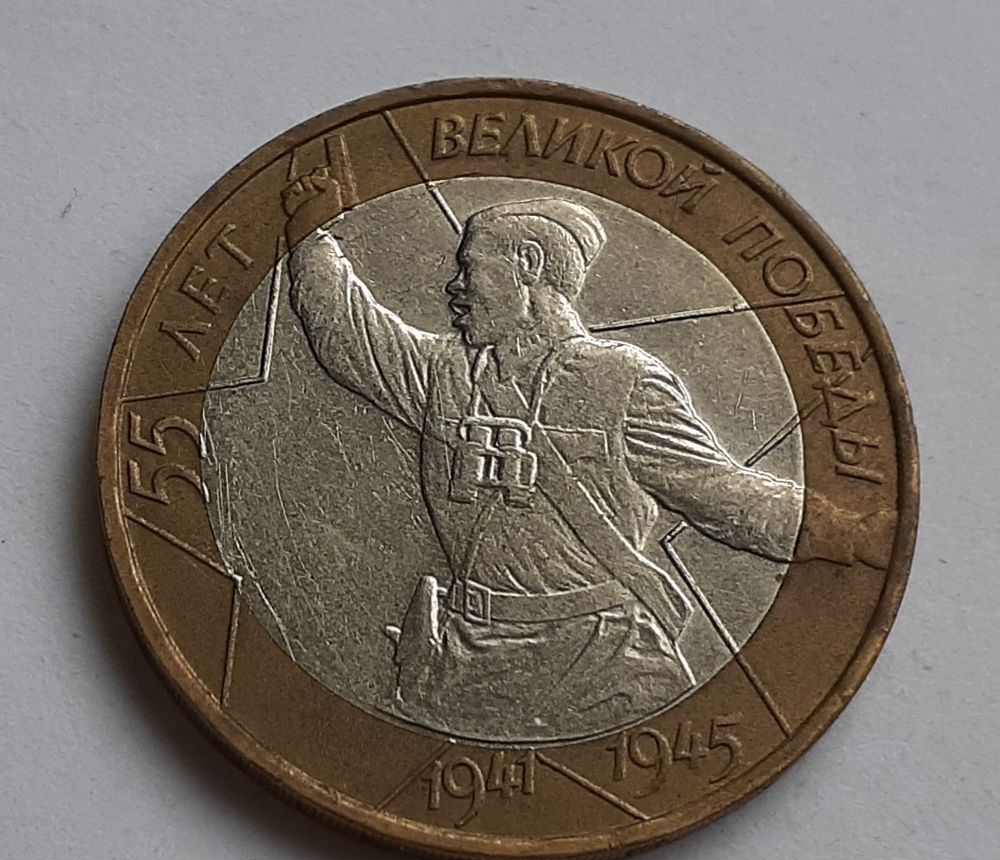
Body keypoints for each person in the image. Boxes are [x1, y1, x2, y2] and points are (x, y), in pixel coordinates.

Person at [281, 168, 888, 738]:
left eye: (471, 267)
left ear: (527, 264)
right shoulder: (446, 371)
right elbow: (349, 336)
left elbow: (721, 494)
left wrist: (847, 534)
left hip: (606, 661)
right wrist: (312, 239)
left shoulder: (622, 382)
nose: (454, 286)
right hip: (469, 664)